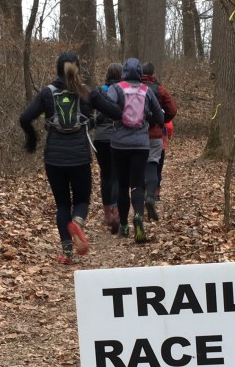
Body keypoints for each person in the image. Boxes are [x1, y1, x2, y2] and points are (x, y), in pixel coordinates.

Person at [19, 51, 97, 266]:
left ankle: (66, 253)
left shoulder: (47, 93)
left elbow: (24, 118)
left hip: (54, 158)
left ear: (57, 69)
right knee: (81, 201)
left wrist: (32, 140)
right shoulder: (86, 94)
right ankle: (77, 222)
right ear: (78, 69)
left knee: (62, 203)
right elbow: (113, 111)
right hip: (80, 156)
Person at [104, 57, 164, 243]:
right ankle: (138, 216)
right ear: (139, 72)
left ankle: (123, 225)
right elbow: (160, 116)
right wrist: (151, 119)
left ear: (124, 72)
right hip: (141, 143)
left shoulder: (116, 89)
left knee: (122, 184)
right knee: (138, 183)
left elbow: (105, 110)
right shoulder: (146, 91)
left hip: (119, 143)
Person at [140, 62, 177, 219]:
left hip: (136, 134)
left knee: (139, 165)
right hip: (155, 134)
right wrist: (162, 120)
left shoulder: (133, 88)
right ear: (154, 74)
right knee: (154, 165)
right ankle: (153, 195)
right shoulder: (160, 90)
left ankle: (140, 197)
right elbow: (172, 110)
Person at [92, 63, 123, 234]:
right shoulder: (122, 91)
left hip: (100, 138)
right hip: (117, 137)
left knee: (105, 174)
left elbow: (94, 113)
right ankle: (116, 210)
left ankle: (106, 215)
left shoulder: (98, 91)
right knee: (116, 174)